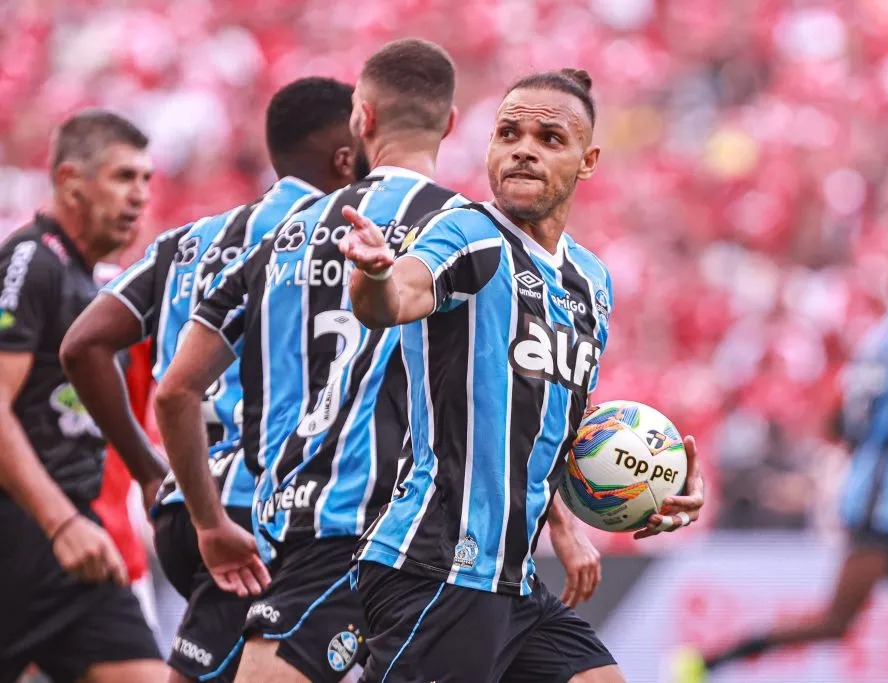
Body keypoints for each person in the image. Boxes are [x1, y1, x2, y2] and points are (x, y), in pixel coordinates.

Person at [339, 67, 706, 683]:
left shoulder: (592, 281)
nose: (523, 150)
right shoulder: (472, 235)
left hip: (512, 577)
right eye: (508, 133)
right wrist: (376, 275)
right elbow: (396, 298)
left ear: (587, 161)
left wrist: (638, 487)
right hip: (437, 565)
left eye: (549, 139)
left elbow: (542, 422)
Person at [153, 39, 469, 683]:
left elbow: (174, 392)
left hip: (311, 526)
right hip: (425, 539)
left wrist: (210, 523)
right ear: (451, 123)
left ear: (363, 118)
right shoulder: (470, 232)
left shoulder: (278, 238)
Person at [60, 77, 361, 683]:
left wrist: (151, 471)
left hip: (187, 503)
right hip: (265, 515)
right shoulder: (340, 242)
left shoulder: (188, 241)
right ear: (347, 157)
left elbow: (85, 343)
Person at [681, 252, 888, 683]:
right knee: (835, 623)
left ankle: (706, 664)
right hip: (880, 508)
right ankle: (707, 663)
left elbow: (839, 419)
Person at [0, 110, 168, 683]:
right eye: (124, 177)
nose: (140, 196)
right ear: (71, 180)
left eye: (146, 180)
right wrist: (58, 523)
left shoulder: (94, 285)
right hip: (24, 537)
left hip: (79, 558)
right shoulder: (31, 261)